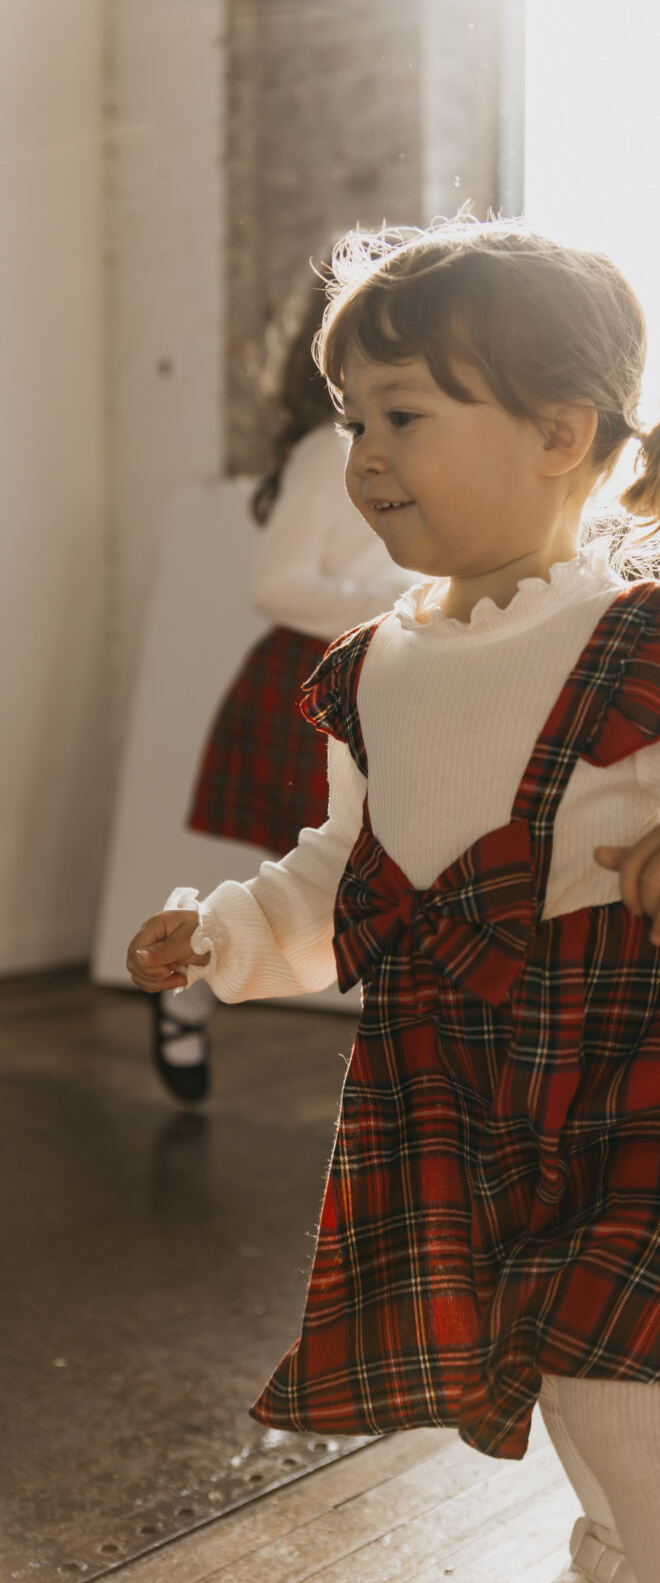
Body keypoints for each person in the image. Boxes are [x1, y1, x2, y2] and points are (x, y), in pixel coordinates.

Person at [127, 218, 660, 1583]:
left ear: (558, 433)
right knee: (561, 1366)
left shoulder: (643, 643)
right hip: (466, 1083)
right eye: (349, 418)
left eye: (401, 414)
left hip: (643, 1075)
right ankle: (615, 1555)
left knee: (613, 1384)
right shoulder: (374, 671)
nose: (361, 455)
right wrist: (218, 932)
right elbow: (344, 870)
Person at [152, 283, 413, 1103]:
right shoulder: (320, 454)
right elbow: (278, 586)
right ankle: (182, 988)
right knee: (308, 867)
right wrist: (393, 609)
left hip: (386, 675)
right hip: (310, 679)